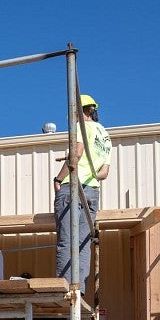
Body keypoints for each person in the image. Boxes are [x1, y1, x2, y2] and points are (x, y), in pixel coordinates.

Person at [54, 94, 112, 286]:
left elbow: (75, 154)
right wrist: (92, 175)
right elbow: (104, 172)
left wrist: (58, 178)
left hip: (73, 188)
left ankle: (65, 288)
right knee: (83, 243)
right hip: (92, 191)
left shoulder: (81, 127)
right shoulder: (104, 134)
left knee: (66, 241)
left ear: (79, 111)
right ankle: (79, 289)